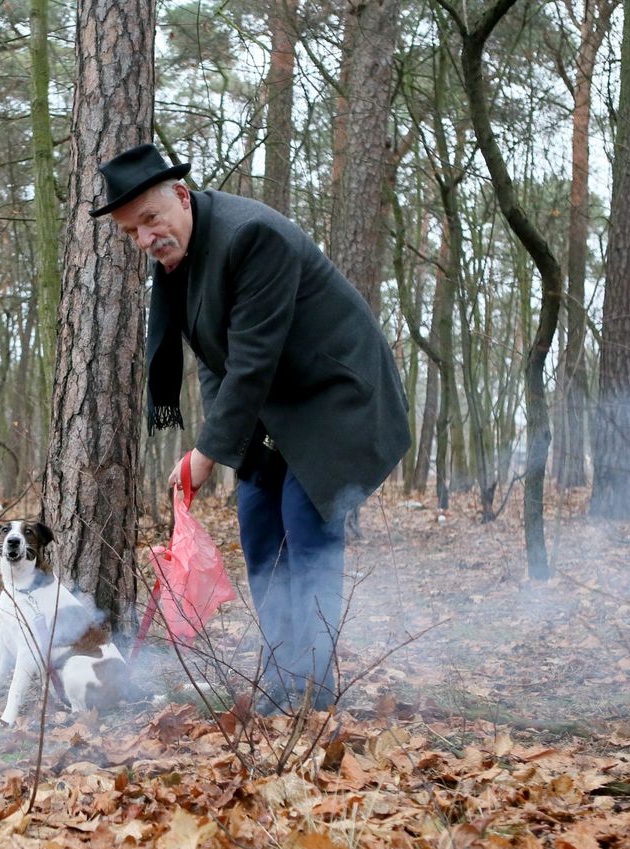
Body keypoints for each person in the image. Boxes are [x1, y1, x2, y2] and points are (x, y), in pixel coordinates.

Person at [91, 143, 411, 713]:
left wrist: (207, 453)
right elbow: (218, 365)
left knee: (304, 529)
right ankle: (284, 674)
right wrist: (222, 440)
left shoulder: (250, 237)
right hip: (276, 405)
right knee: (260, 527)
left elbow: (252, 360)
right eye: (130, 232)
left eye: (150, 220)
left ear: (182, 198)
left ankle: (311, 692)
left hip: (337, 396)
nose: (145, 239)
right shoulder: (178, 266)